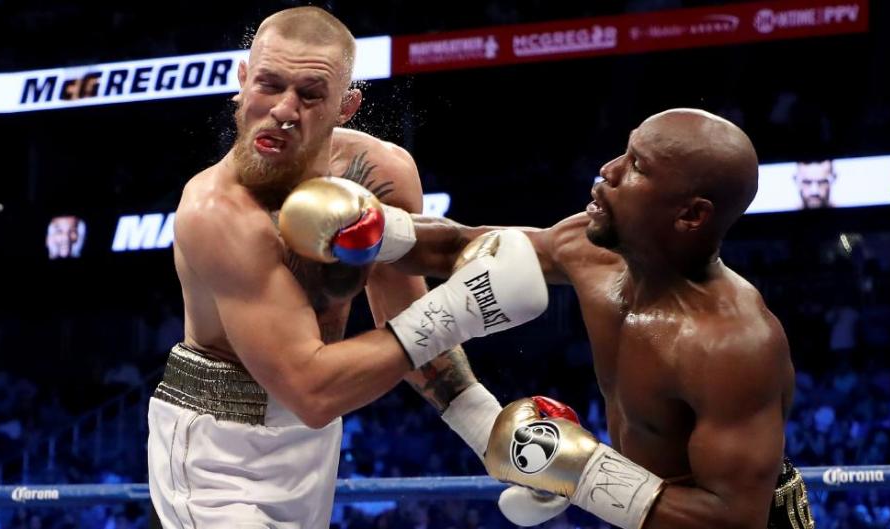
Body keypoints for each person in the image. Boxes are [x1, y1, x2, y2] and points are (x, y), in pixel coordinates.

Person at [146, 7, 547, 528]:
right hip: (216, 445)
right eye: (269, 84)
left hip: (314, 441)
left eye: (310, 94)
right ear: (242, 81)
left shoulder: (380, 174)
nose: (283, 110)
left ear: (347, 106)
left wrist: (491, 432)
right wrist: (465, 306)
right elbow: (310, 390)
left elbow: (406, 322)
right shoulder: (216, 210)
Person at [383, 109, 814, 528]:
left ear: (691, 215)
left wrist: (581, 471)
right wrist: (371, 228)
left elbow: (736, 520)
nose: (608, 170)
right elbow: (459, 247)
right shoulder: (588, 249)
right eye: (625, 152)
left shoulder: (732, 345)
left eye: (637, 166)